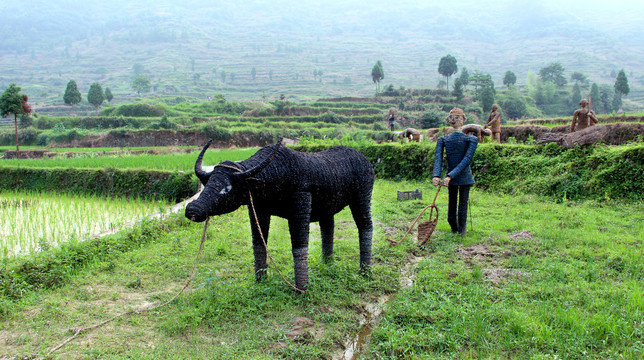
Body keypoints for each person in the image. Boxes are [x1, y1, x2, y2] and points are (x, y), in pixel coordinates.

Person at [432, 108, 478, 235]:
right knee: (451, 213)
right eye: (452, 117)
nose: (454, 120)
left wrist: (450, 175)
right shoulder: (444, 139)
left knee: (462, 207)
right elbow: (438, 158)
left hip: (463, 176)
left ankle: (461, 232)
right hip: (449, 178)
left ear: (463, 120)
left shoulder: (471, 139)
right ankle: (454, 229)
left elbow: (466, 160)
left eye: (457, 117)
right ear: (449, 120)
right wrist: (436, 175)